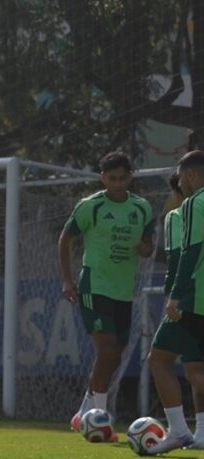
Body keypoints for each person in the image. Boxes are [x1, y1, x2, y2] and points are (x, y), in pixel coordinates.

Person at [60, 151, 154, 434]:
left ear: (130, 177)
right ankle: (101, 419)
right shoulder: (91, 206)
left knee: (115, 355)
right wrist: (67, 281)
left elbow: (149, 247)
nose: (117, 183)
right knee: (108, 349)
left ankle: (83, 412)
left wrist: (144, 249)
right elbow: (65, 239)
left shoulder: (142, 208)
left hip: (124, 290)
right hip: (95, 285)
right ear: (103, 178)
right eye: (111, 178)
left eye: (122, 178)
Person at [165, 152, 204, 450]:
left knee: (160, 360)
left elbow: (188, 253)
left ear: (190, 176)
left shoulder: (194, 204)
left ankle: (179, 431)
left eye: (180, 178)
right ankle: (199, 432)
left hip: (197, 298)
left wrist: (175, 296)